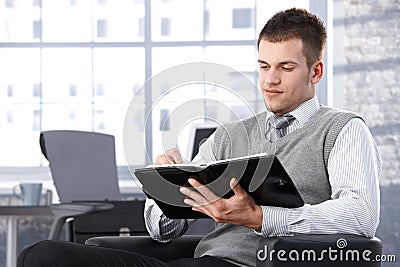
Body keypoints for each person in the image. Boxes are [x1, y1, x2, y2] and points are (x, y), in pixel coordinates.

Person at [17, 7, 381, 267]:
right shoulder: (229, 137)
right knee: (44, 255)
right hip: (201, 259)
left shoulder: (343, 130)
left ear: (315, 71)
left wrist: (261, 217)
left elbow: (361, 215)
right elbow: (163, 233)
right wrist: (165, 190)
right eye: (264, 66)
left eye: (286, 68)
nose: (270, 80)